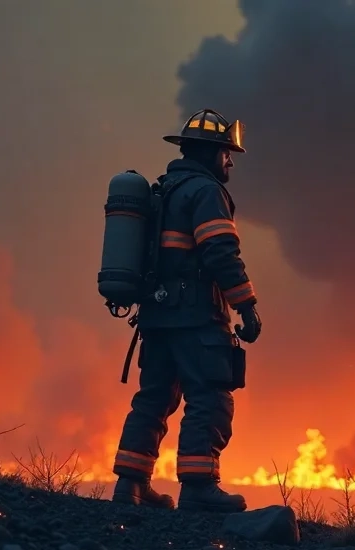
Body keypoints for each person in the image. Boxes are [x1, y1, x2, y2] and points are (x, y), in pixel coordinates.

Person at [110, 108, 262, 512]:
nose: (230, 162)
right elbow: (220, 251)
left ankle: (131, 485)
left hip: (156, 316)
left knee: (154, 398)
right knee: (209, 397)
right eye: (226, 154)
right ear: (209, 153)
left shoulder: (163, 190)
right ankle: (198, 487)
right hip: (195, 316)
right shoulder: (205, 192)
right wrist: (246, 305)